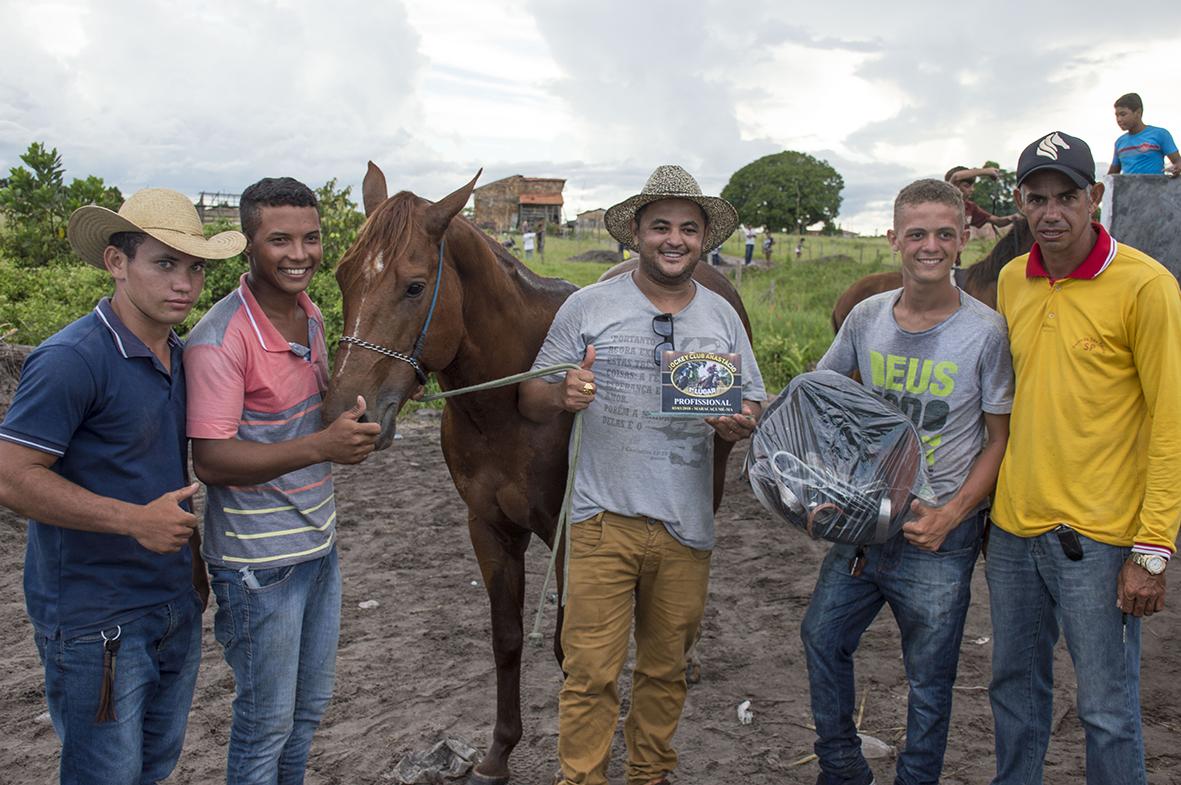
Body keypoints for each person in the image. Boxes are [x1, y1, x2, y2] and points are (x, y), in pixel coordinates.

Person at [519, 164, 767, 785]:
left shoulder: (721, 318)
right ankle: (581, 779)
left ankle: (649, 776)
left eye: (688, 227)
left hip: (686, 526)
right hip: (602, 521)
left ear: (705, 236)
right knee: (591, 674)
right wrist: (564, 393)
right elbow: (530, 395)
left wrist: (739, 421)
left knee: (665, 671)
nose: (674, 239)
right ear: (636, 233)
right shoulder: (589, 306)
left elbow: (753, 402)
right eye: (661, 227)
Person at [0, 189, 245, 784]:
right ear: (116, 262)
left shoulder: (183, 357)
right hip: (94, 618)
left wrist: (191, 575)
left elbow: (168, 473)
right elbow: (11, 474)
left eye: (194, 267)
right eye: (164, 263)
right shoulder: (71, 359)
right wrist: (132, 520)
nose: (184, 283)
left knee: (153, 767)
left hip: (172, 605)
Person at [800, 179, 1013, 785]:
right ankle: (841, 766)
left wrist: (952, 515)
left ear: (963, 240)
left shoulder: (986, 332)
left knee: (930, 676)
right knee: (821, 636)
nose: (930, 246)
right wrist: (824, 486)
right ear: (894, 238)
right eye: (916, 233)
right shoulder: (867, 318)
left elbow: (998, 439)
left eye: (945, 234)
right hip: (867, 524)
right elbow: (822, 397)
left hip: (936, 535)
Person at [988, 131, 1181, 785]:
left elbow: (1169, 422)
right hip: (1013, 530)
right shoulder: (1013, 280)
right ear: (1019, 202)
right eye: (1036, 198)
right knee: (1014, 694)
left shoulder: (1145, 287)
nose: (1050, 212)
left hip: (1097, 540)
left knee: (1104, 709)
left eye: (1065, 196)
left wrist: (1151, 547)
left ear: (1093, 197)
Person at [184, 177, 381, 785]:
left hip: (318, 548)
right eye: (280, 240)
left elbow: (311, 409)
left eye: (312, 238)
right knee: (265, 721)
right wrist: (323, 446)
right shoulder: (220, 339)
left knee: (307, 712)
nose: (300, 254)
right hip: (257, 565)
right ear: (248, 244)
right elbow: (213, 460)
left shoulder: (311, 317)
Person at [1108, 92, 1181, 176]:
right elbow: (1112, 174)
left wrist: (1176, 168)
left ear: (1138, 113)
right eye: (1116, 115)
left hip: (1155, 188)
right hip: (1129, 188)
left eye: (1123, 114)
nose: (1119, 119)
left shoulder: (1160, 134)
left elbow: (1178, 161)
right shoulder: (1120, 142)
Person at [944, 166, 1021, 239]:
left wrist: (1012, 218)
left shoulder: (970, 207)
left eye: (972, 186)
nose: (972, 190)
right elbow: (956, 176)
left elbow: (998, 221)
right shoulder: (945, 202)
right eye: (966, 186)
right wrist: (987, 171)